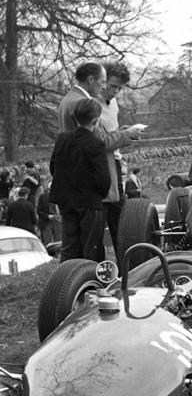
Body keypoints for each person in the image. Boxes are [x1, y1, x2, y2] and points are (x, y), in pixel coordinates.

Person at [49, 98, 111, 263]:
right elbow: (103, 178)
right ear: (95, 120)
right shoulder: (96, 144)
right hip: (89, 201)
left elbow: (53, 167)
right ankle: (91, 280)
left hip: (65, 199)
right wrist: (101, 193)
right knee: (92, 247)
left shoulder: (62, 138)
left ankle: (66, 280)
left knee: (69, 245)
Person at [96, 60, 133, 259]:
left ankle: (127, 268)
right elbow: (99, 141)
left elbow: (111, 133)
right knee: (100, 220)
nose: (115, 92)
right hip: (100, 165)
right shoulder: (92, 104)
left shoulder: (113, 103)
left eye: (119, 88)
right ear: (102, 81)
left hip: (116, 163)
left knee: (121, 220)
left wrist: (124, 133)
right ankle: (100, 270)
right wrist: (126, 136)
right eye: (112, 86)